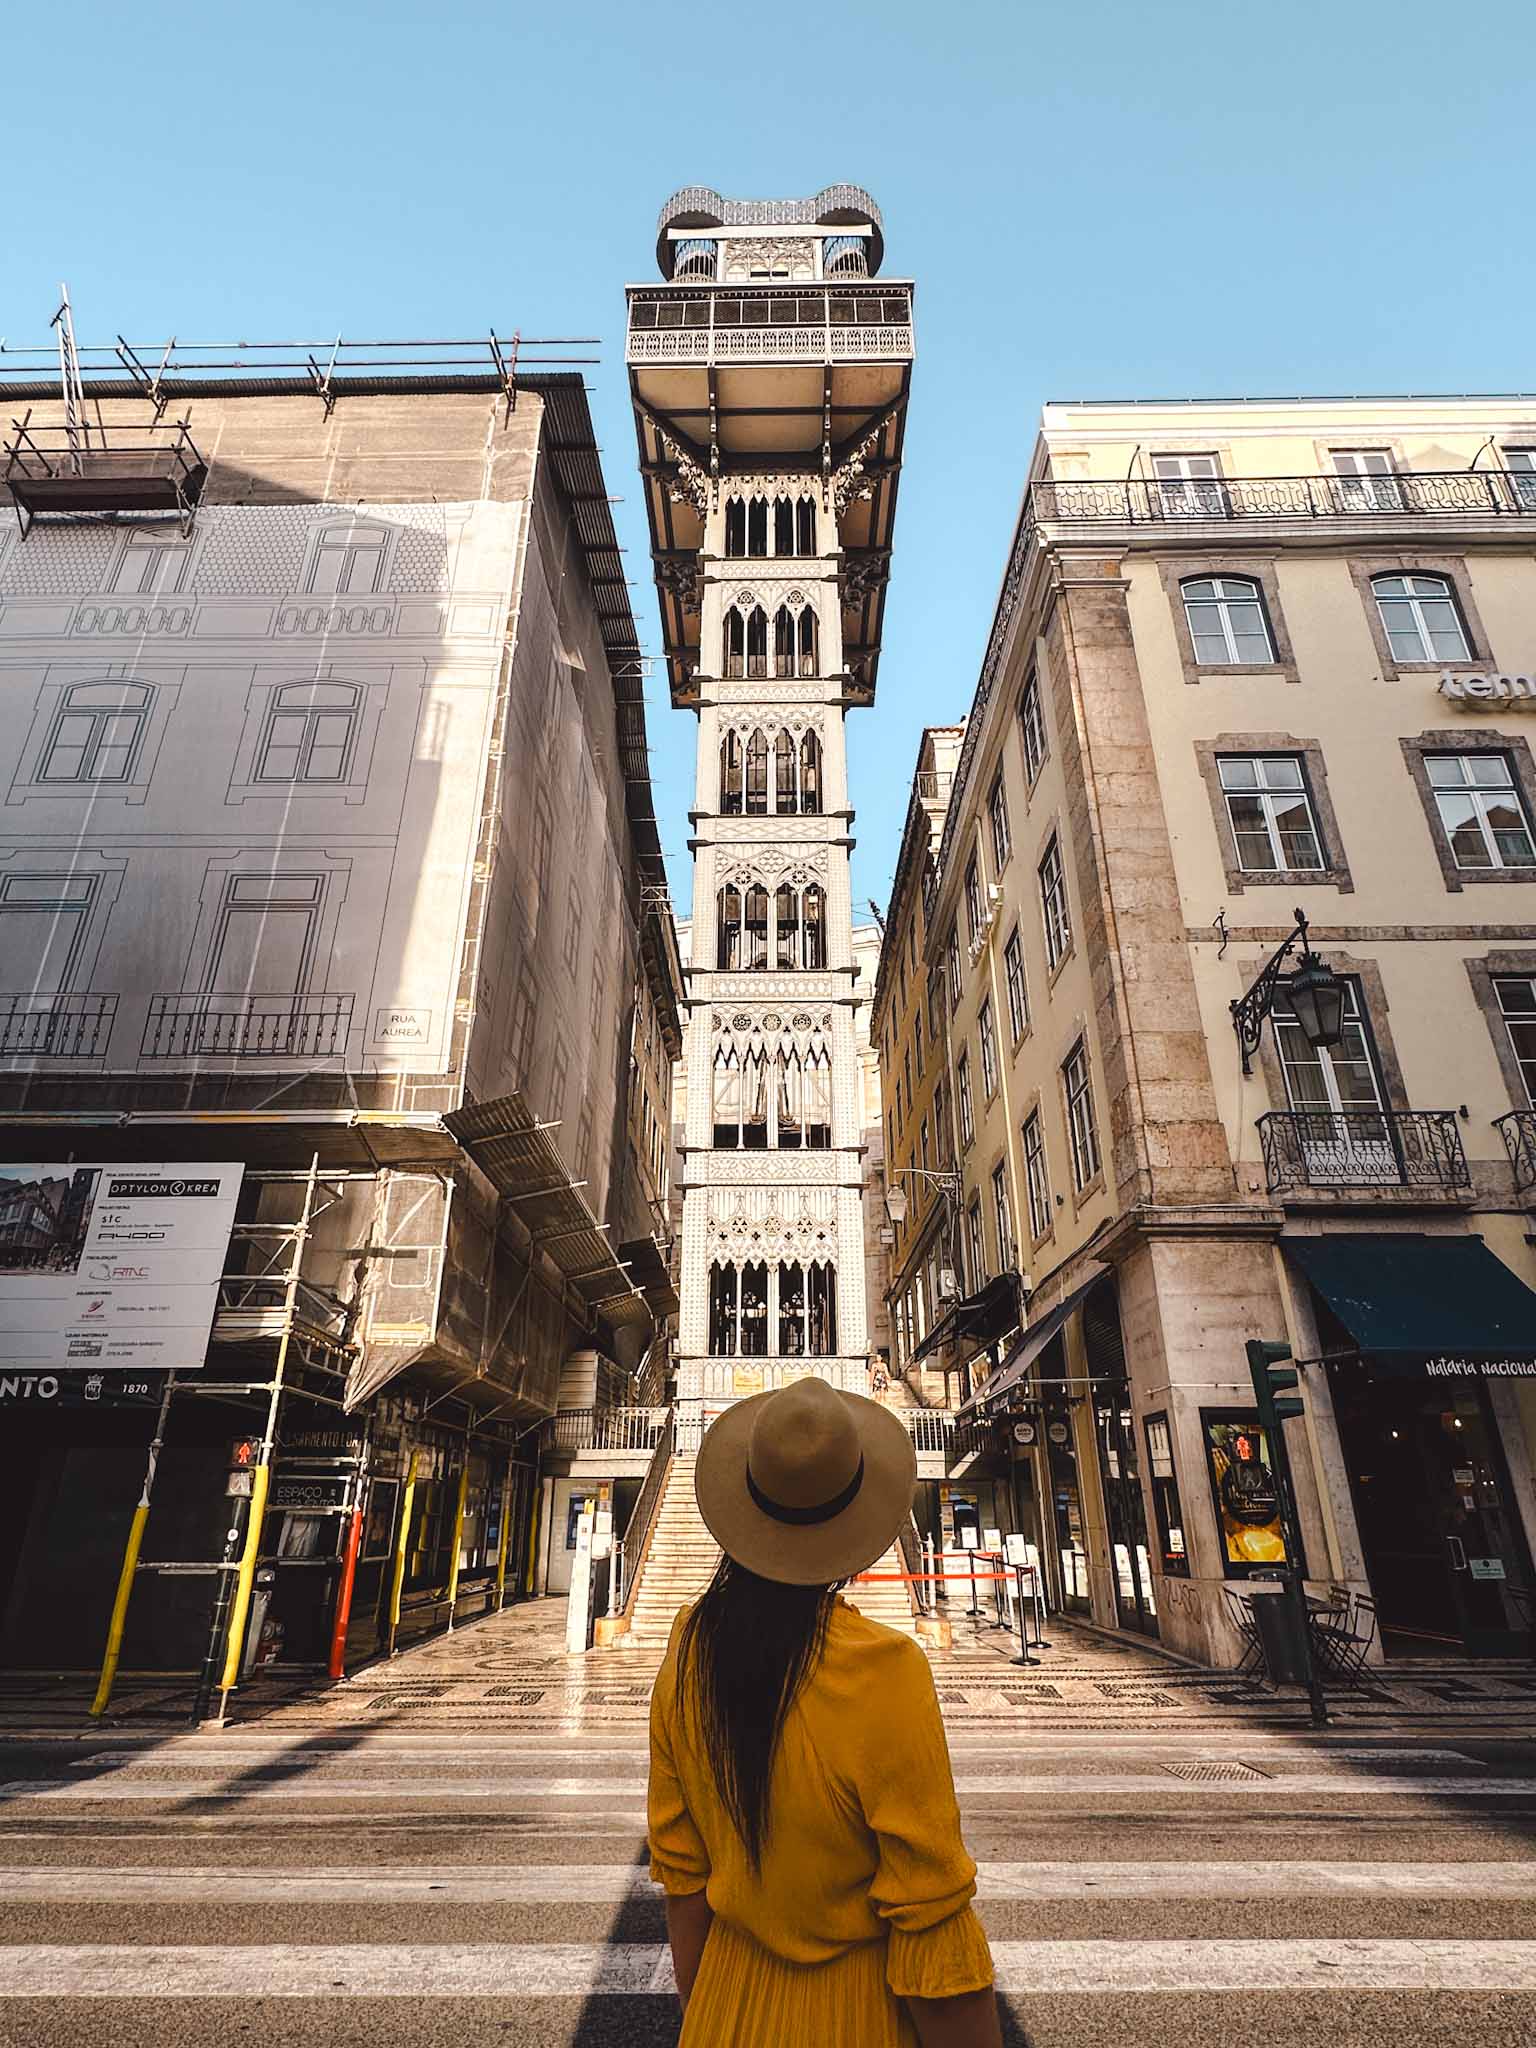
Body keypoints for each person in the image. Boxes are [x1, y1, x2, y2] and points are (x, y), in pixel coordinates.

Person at [648, 1376, 1001, 2045]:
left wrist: (709, 2016)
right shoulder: (884, 1671)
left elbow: (683, 1882)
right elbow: (930, 1919)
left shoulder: (688, 1648)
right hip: (852, 2018)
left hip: (724, 2011)